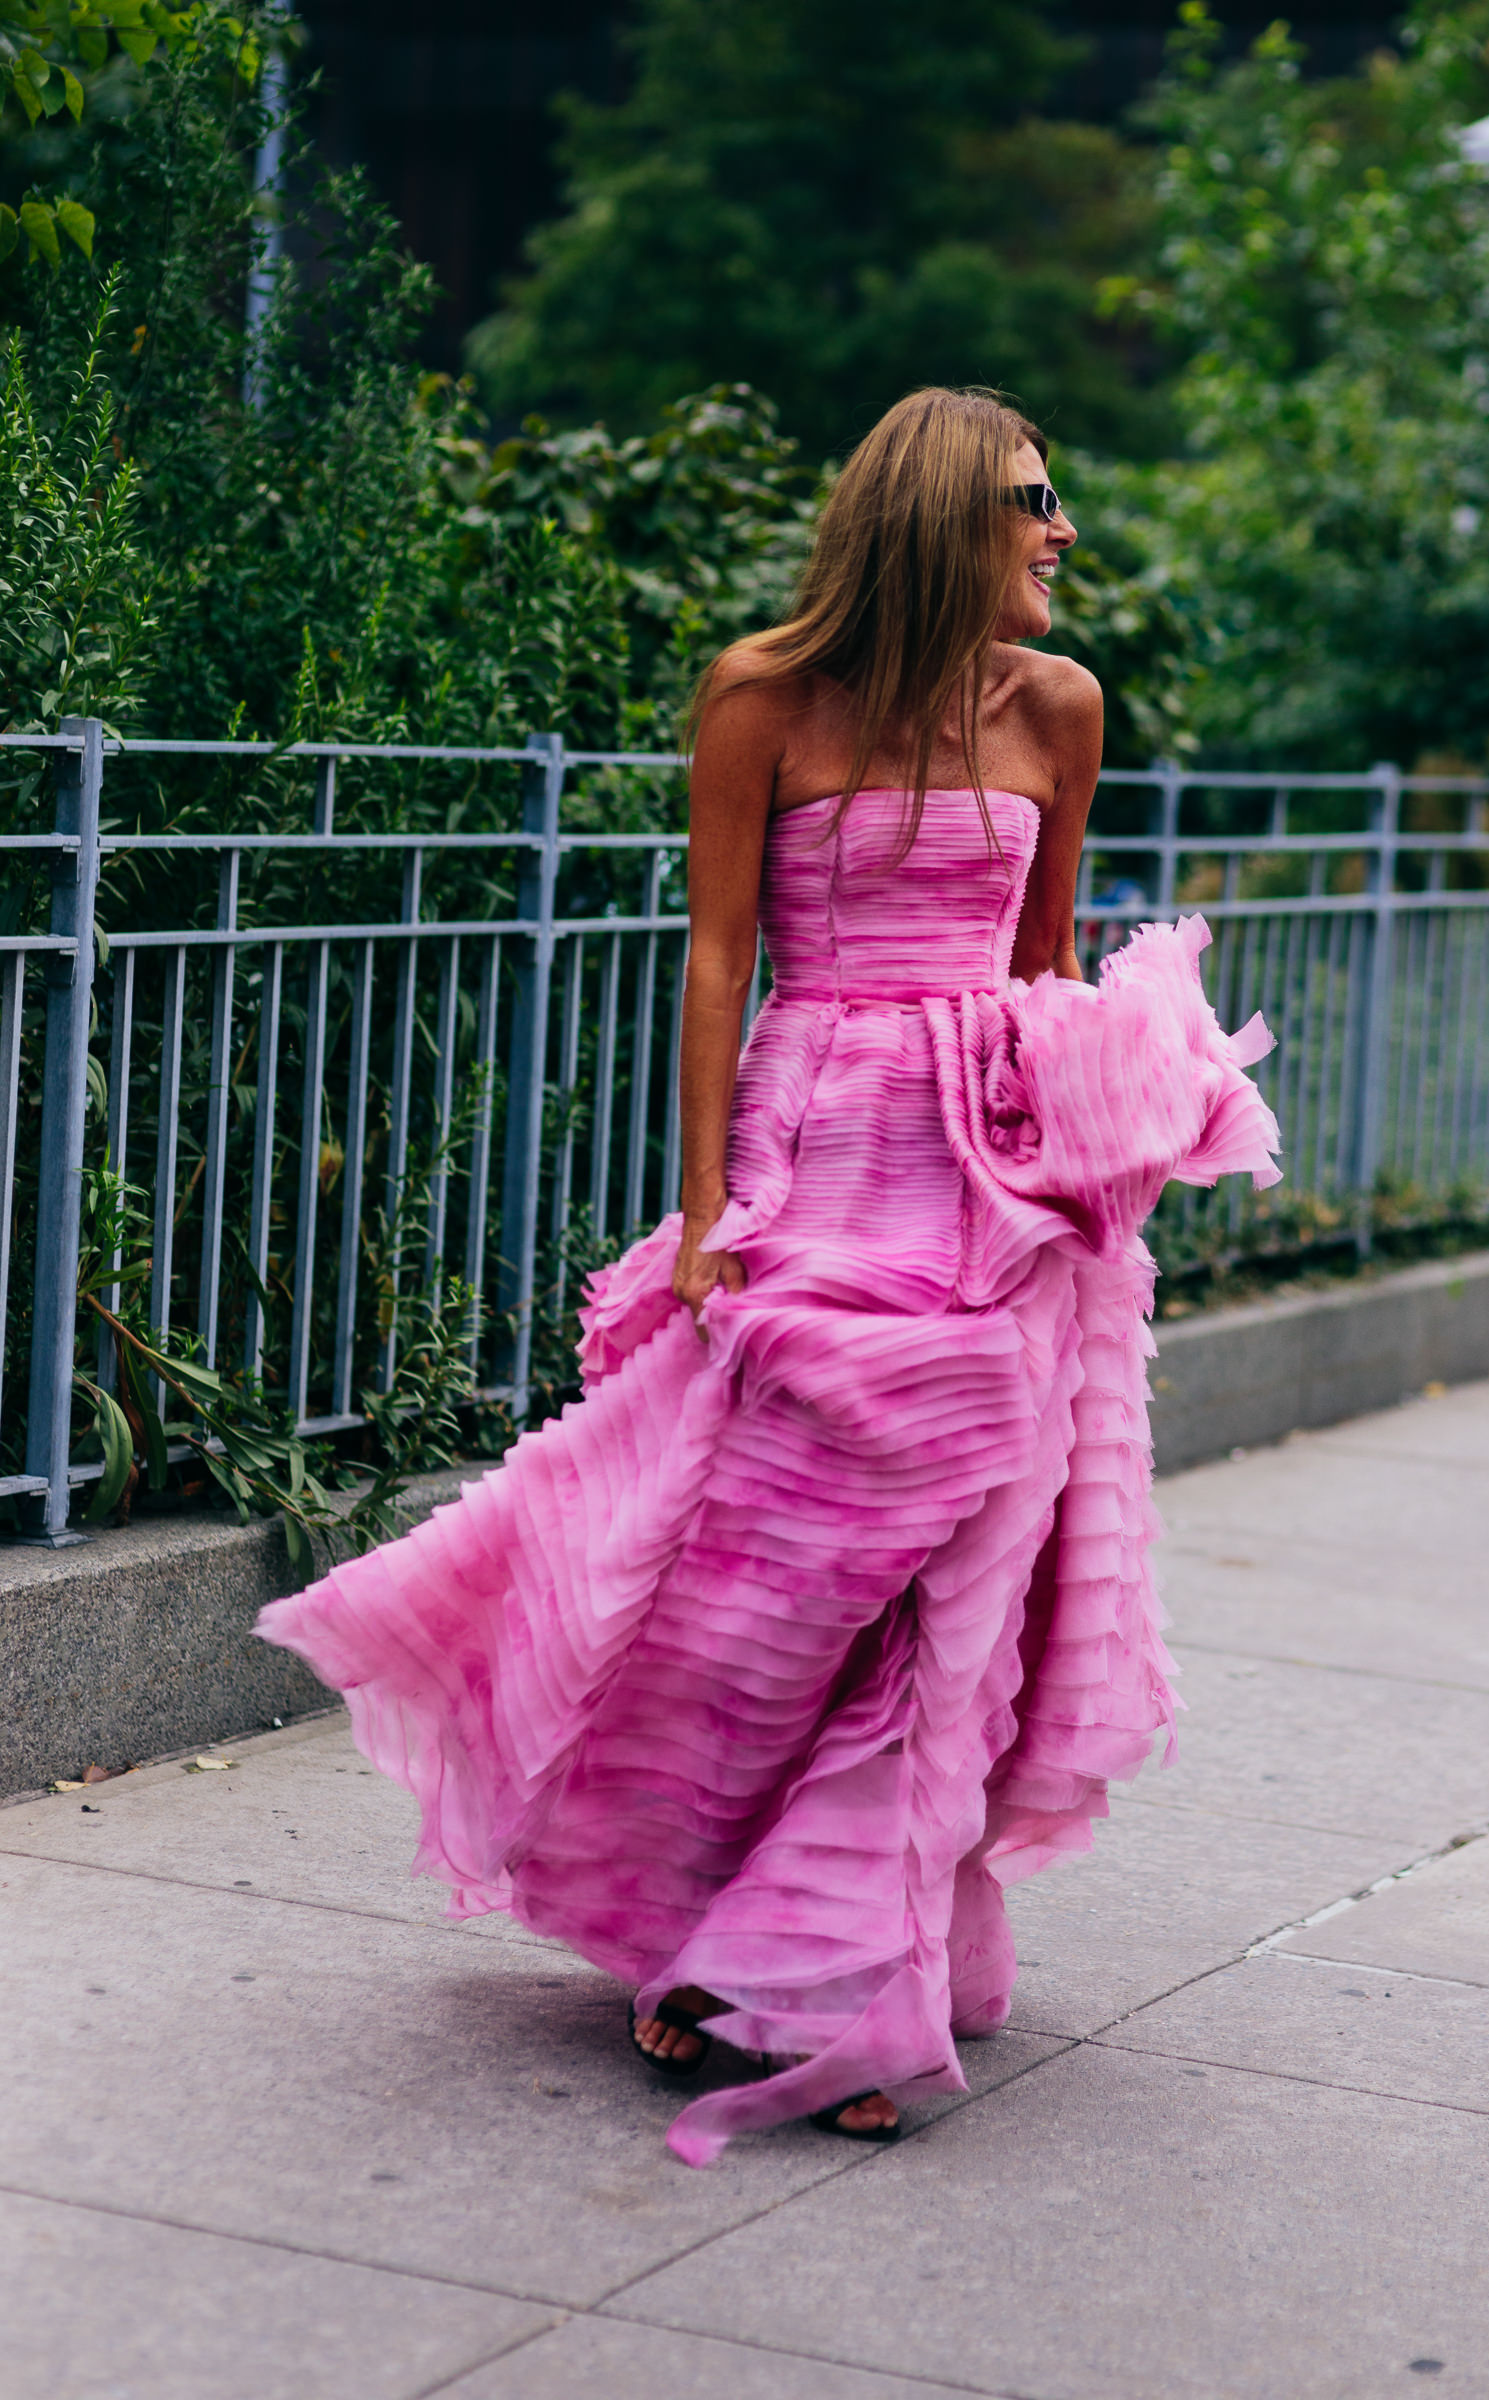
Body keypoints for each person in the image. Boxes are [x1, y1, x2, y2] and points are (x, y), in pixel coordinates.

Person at [257, 388, 1281, 2166]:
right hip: (817, 1156)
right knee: (772, 1577)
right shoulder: (763, 696)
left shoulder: (1060, 708)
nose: (1061, 534)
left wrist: (1129, 1106)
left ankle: (812, 1968)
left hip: (982, 1179)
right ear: (946, 512)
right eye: (1035, 502)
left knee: (954, 1584)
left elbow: (1041, 970)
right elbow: (717, 956)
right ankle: (694, 1916)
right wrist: (712, 1203)